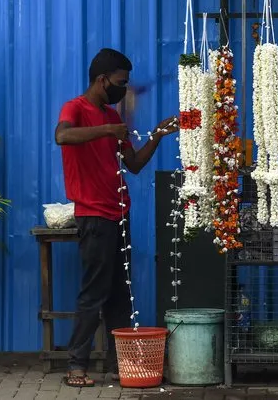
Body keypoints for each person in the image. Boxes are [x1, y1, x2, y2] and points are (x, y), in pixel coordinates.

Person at [55, 48, 177, 387]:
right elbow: (62, 136)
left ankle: (118, 364)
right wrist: (108, 130)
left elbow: (134, 165)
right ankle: (76, 366)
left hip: (118, 214)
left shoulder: (110, 116)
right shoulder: (76, 109)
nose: (123, 88)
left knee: (120, 295)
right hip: (93, 215)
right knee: (94, 292)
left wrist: (156, 135)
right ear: (101, 80)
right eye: (120, 82)